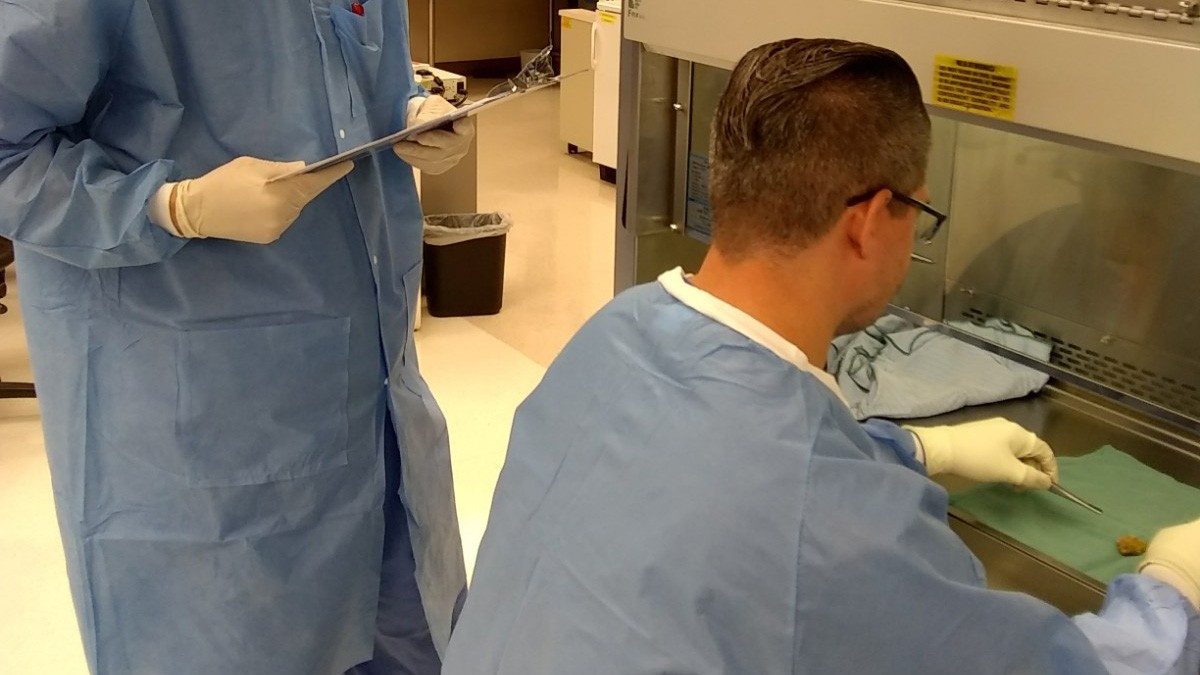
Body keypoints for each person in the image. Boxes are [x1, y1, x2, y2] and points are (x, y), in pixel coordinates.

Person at [442, 39, 1200, 673]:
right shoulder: (838, 534)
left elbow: (714, 465)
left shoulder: (617, 333)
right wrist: (1173, 587)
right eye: (919, 211)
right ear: (870, 221)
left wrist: (913, 447)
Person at [0, 2, 474, 673]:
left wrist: (409, 112)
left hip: (376, 407)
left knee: (408, 626)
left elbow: (338, 79)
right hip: (205, 433)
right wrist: (171, 206)